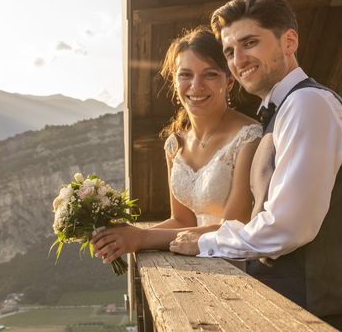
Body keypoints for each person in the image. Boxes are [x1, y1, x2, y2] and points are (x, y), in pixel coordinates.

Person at [169, 0, 342, 332]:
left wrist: (205, 243)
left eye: (250, 42)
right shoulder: (286, 110)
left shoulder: (307, 105)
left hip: (316, 323)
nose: (238, 59)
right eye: (230, 51)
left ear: (289, 41)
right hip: (288, 315)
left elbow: (287, 228)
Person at [91, 26, 262, 263]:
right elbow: (183, 221)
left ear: (229, 81)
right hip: (194, 265)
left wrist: (142, 238)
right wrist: (123, 236)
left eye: (210, 74)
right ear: (174, 80)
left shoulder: (249, 137)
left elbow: (235, 227)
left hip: (237, 266)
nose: (196, 85)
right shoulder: (175, 144)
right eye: (185, 75)